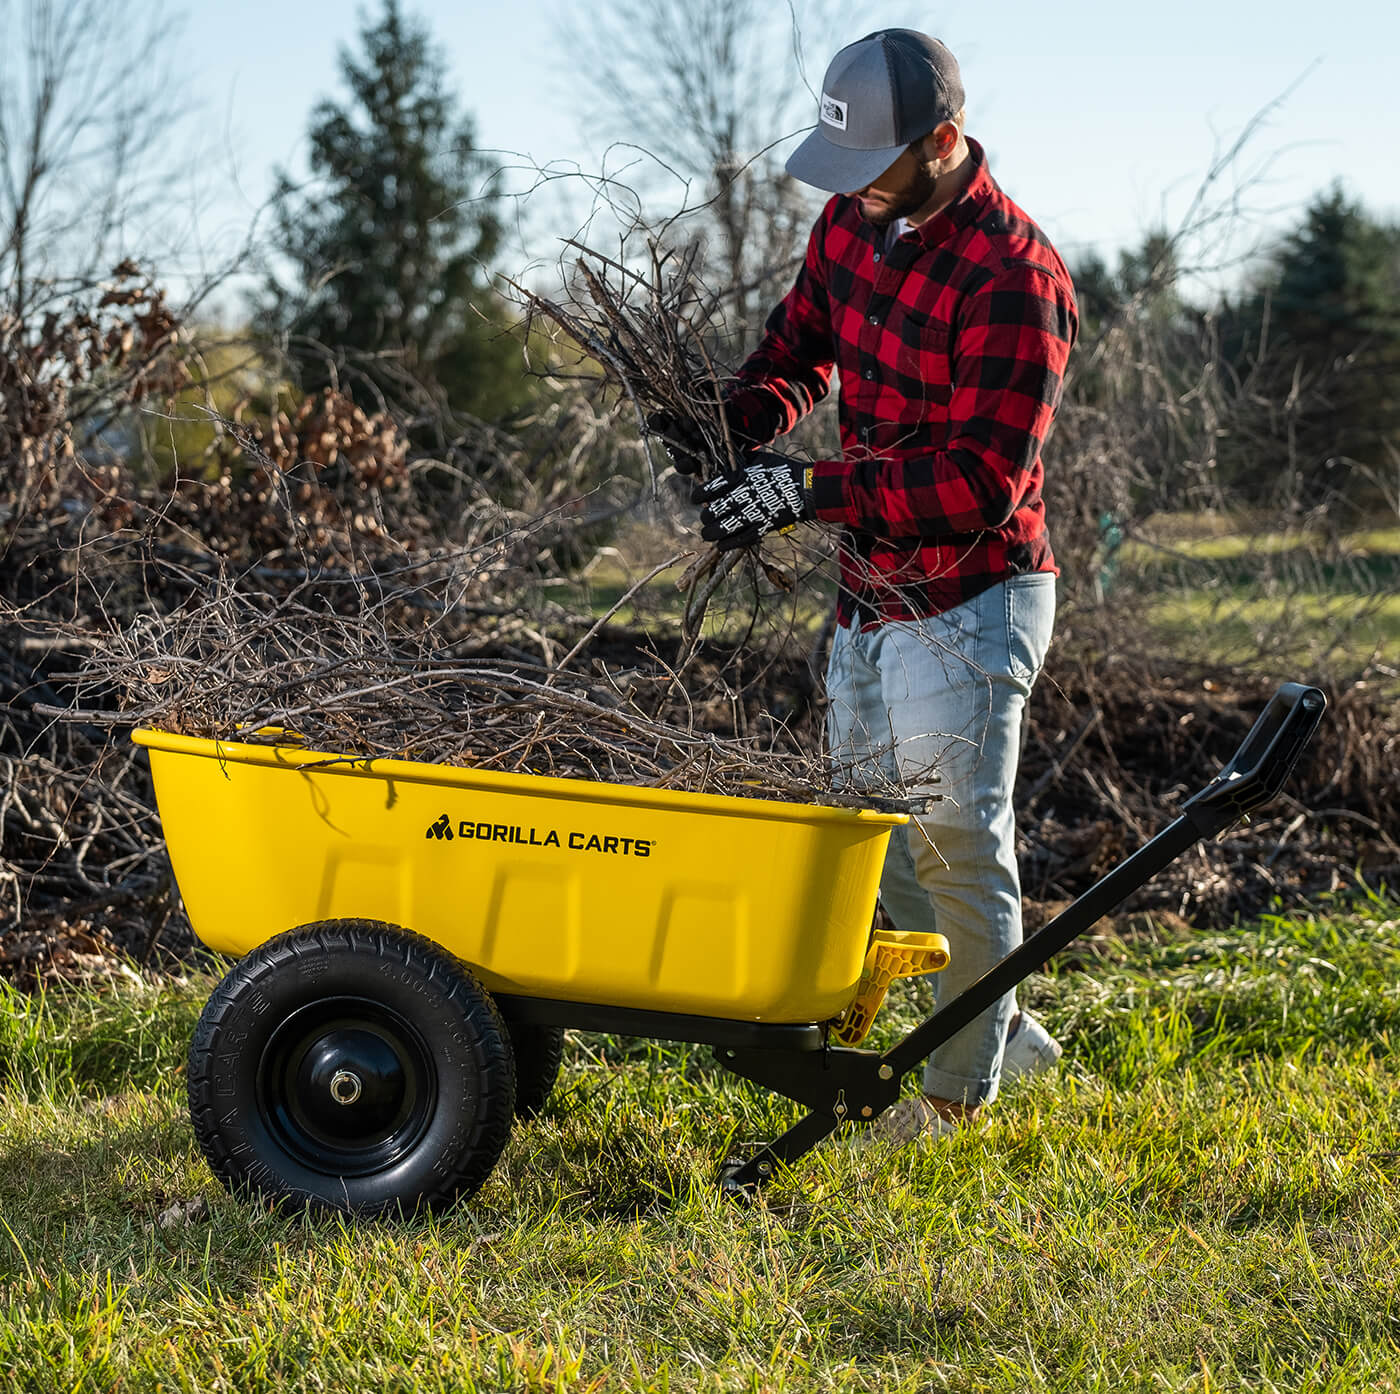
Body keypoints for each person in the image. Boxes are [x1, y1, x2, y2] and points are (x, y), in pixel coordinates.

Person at [665, 29, 1078, 1143]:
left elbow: (977, 483)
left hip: (971, 592)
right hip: (870, 588)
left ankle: (953, 1094)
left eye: (873, 168)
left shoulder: (1016, 278)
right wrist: (731, 425)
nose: (851, 194)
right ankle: (999, 1024)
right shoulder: (852, 220)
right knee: (876, 848)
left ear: (940, 142)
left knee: (953, 835)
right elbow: (800, 345)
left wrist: (804, 494)